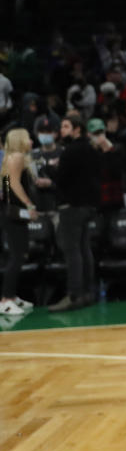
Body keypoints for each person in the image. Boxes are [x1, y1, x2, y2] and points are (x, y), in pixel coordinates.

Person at [47, 113, 101, 311]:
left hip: (72, 206)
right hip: (89, 206)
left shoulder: (70, 151)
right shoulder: (91, 148)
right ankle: (87, 293)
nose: (62, 130)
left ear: (77, 129)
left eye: (66, 126)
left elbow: (61, 180)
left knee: (72, 252)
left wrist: (52, 170)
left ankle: (73, 295)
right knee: (84, 249)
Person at [1, 127, 39, 315]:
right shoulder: (17, 157)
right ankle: (6, 299)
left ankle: (12, 296)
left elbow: (6, 183)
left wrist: (9, 201)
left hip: (10, 212)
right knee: (17, 255)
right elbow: (14, 183)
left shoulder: (9, 158)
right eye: (28, 138)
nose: (31, 141)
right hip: (15, 213)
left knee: (19, 254)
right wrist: (28, 204)